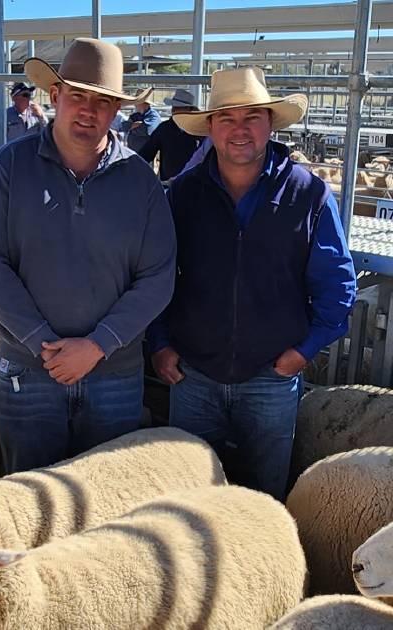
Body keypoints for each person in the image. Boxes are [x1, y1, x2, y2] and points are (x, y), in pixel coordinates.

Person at [0, 38, 176, 473]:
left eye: (103, 101)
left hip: (114, 375)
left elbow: (158, 277)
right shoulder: (10, 167)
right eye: (77, 95)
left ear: (116, 110)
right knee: (26, 499)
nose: (88, 110)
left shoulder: (141, 182)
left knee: (105, 499)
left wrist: (97, 346)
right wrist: (45, 344)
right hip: (29, 372)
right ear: (55, 95)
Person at [149, 67, 357, 500]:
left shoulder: (308, 194)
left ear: (269, 124)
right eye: (226, 118)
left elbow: (338, 285)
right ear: (210, 127)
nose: (239, 130)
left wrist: (302, 352)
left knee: (264, 499)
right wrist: (160, 343)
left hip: (271, 378)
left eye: (251, 118)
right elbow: (156, 275)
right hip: (193, 377)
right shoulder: (183, 194)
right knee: (186, 496)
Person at [136, 89, 204, 182]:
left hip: (195, 182)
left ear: (189, 110)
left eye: (179, 107)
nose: (175, 110)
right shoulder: (164, 129)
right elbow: (146, 153)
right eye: (174, 107)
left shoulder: (200, 131)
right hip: (169, 184)